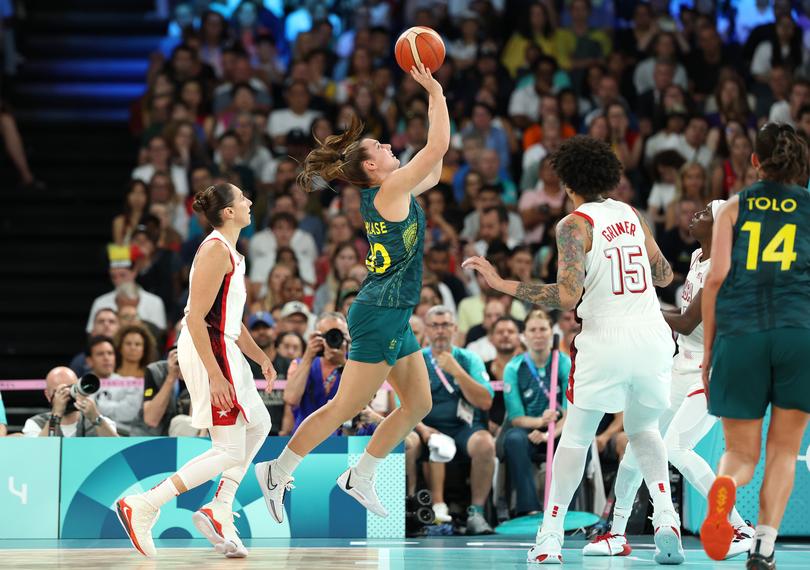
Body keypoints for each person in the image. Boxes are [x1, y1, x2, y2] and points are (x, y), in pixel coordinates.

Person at [463, 135, 684, 564]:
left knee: (577, 438)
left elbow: (567, 296)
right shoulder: (631, 214)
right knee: (643, 430)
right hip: (654, 336)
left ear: (567, 183)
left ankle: (549, 538)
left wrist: (502, 283)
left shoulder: (573, 225)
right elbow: (663, 275)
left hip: (606, 338)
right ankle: (666, 518)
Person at [254, 62, 448, 523]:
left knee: (418, 403)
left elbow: (435, 167)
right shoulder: (390, 190)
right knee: (347, 405)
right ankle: (277, 470)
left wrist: (435, 115)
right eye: (379, 146)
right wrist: (435, 90)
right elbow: (436, 145)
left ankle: (360, 476)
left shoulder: (395, 189)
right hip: (379, 311)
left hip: (392, 312)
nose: (387, 146)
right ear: (369, 166)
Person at [584, 199, 754, 559]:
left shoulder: (725, 269)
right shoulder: (696, 258)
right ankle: (616, 533)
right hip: (682, 365)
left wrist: (635, 308)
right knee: (638, 443)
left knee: (677, 448)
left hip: (716, 370)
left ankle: (740, 526)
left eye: (706, 212)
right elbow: (680, 318)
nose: (695, 213)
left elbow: (688, 322)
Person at [116, 183, 275, 559]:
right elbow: (196, 317)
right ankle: (145, 503)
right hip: (211, 351)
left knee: (261, 424)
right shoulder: (216, 249)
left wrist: (260, 357)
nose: (250, 201)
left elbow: (232, 322)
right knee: (227, 448)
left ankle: (220, 505)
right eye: (242, 199)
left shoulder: (233, 253)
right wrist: (216, 374)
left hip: (225, 347)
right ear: (229, 212)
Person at [700, 123, 810, 570]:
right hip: (798, 333)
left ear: (754, 161)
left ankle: (726, 486)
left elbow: (715, 278)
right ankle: (763, 548)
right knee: (784, 450)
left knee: (743, 454)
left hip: (741, 333)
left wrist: (708, 352)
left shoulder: (732, 207)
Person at [410, 306, 496, 534]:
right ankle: (427, 508)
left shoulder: (469, 359)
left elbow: (485, 402)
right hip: (429, 428)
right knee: (434, 441)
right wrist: (424, 430)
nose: (440, 331)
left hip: (464, 429)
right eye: (434, 326)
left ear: (455, 329)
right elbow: (403, 405)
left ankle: (476, 512)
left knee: (486, 445)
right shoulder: (416, 360)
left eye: (446, 325)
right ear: (426, 331)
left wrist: (457, 371)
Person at [501, 310, 570, 517]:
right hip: (529, 428)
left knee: (578, 443)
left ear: (552, 332)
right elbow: (516, 418)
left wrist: (549, 434)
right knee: (513, 440)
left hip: (559, 429)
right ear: (524, 335)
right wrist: (540, 421)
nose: (538, 335)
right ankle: (529, 508)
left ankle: (566, 509)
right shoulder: (514, 368)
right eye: (532, 330)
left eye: (543, 329)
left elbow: (570, 413)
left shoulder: (564, 363)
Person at [283, 312, 350, 434]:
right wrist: (308, 356)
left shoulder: (355, 364)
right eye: (328, 335)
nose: (334, 339)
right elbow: (291, 399)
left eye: (340, 334)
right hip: (304, 438)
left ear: (348, 338)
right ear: (316, 337)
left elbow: (366, 400)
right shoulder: (299, 364)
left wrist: (344, 364)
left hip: (343, 441)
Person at [23, 367, 118, 437]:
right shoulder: (35, 423)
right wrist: (55, 415)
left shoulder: (98, 421)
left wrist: (95, 418)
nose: (67, 394)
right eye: (59, 391)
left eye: (71, 388)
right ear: (48, 395)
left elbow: (117, 450)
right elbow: (38, 452)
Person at [70, 308, 120, 377]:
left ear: (119, 328)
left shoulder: (131, 355)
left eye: (111, 321)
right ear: (93, 329)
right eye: (101, 321)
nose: (106, 324)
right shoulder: (80, 361)